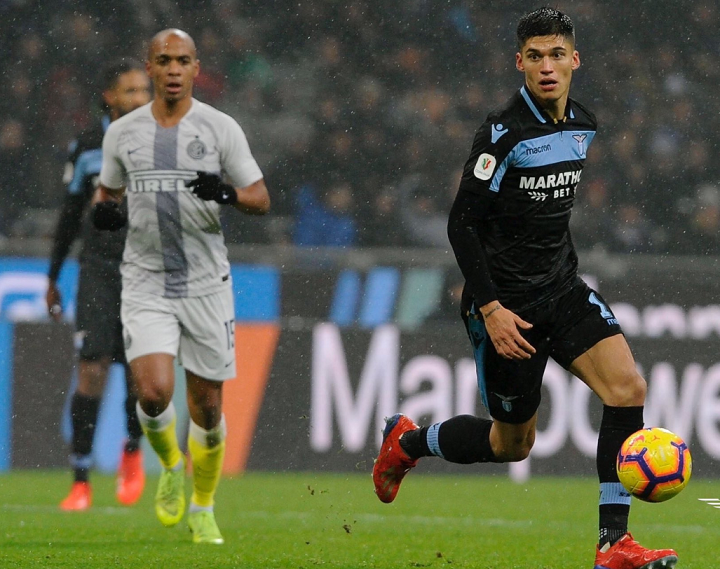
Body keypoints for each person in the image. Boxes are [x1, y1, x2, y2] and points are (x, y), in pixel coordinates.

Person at [372, 9, 678, 569]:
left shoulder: (583, 123)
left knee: (627, 388)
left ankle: (613, 544)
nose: (547, 67)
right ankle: (408, 442)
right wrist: (490, 308)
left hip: (562, 289)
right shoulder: (503, 132)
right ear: (520, 63)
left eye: (557, 54)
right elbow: (461, 224)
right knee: (511, 445)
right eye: (535, 56)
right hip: (507, 308)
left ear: (575, 60)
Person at [93, 28, 270, 544]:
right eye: (164, 60)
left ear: (196, 68)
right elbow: (106, 193)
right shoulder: (122, 133)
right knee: (152, 394)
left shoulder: (219, 128)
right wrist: (105, 213)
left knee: (207, 409)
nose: (173, 69)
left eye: (183, 60)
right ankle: (171, 463)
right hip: (145, 280)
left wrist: (226, 193)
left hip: (206, 285)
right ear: (149, 67)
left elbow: (260, 197)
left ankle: (203, 504)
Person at [47, 59, 151, 511]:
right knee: (92, 370)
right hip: (98, 269)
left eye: (144, 90)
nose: (139, 99)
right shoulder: (89, 145)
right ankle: (81, 479)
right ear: (110, 97)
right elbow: (70, 214)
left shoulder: (159, 142)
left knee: (141, 377)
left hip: (144, 270)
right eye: (130, 90)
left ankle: (132, 449)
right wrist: (52, 276)